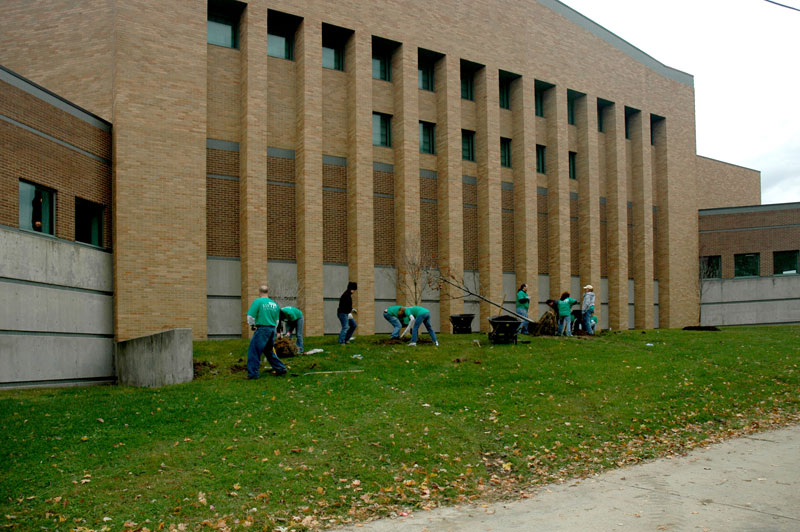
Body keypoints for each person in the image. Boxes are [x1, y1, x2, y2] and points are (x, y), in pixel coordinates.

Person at [245, 285, 286, 378]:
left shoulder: (258, 301)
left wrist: (252, 325)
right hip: (272, 330)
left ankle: (253, 374)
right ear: (268, 292)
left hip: (262, 329)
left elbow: (250, 316)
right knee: (268, 351)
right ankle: (280, 368)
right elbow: (277, 321)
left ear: (259, 292)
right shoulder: (274, 304)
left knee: (254, 351)